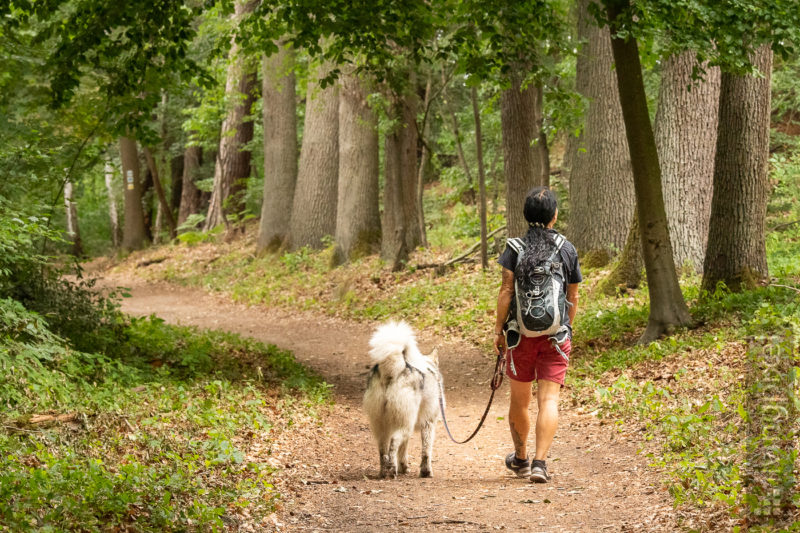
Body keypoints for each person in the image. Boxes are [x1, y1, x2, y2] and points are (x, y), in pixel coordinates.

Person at [494, 187, 581, 483]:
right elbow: (573, 295)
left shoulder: (514, 248)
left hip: (520, 337)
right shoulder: (566, 249)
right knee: (549, 401)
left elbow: (506, 291)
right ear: (554, 216)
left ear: (526, 215)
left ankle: (520, 458)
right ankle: (539, 464)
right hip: (556, 337)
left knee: (519, 401)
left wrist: (498, 330)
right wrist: (565, 327)